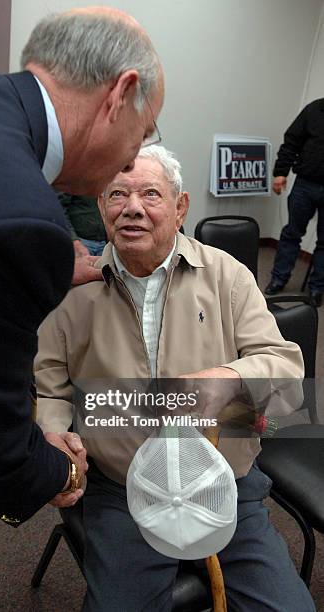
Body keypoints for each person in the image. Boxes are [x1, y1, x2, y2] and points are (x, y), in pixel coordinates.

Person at [0, 7, 164, 526]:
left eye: (154, 192)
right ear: (119, 95)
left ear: (182, 208)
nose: (131, 163)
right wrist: (60, 472)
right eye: (143, 134)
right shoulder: (19, 226)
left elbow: (277, 396)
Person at [35, 146, 315, 611]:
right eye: (117, 194)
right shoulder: (75, 289)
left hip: (221, 481)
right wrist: (53, 431)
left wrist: (230, 377)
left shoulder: (227, 275)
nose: (132, 207)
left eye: (150, 193)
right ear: (102, 206)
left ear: (181, 206)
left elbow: (285, 368)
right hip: (123, 489)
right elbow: (52, 383)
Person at [265, 98, 324, 307]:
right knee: (292, 234)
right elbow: (291, 142)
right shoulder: (314, 110)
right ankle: (278, 279)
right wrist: (281, 172)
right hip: (305, 184)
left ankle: (317, 288)